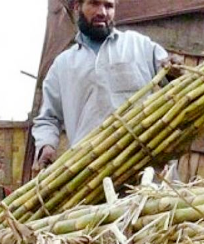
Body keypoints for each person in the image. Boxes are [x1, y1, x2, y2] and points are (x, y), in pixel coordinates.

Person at [32, 0, 170, 173]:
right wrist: (47, 145)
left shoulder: (139, 45)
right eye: (94, 4)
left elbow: (172, 78)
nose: (102, 12)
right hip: (89, 171)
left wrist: (175, 69)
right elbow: (47, 118)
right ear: (77, 7)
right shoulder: (63, 65)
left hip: (145, 166)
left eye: (108, 6)